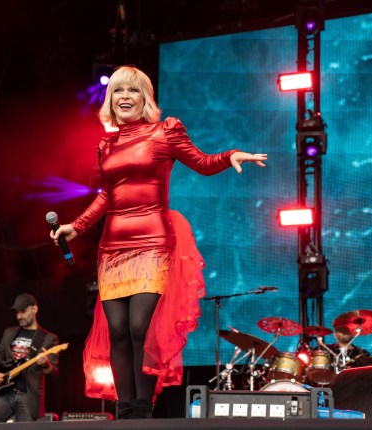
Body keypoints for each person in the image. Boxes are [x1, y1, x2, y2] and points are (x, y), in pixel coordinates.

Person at [50, 65, 267, 419]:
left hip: (153, 240)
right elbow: (108, 193)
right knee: (117, 330)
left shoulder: (165, 132)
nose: (124, 97)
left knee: (139, 327)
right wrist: (78, 226)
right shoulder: (107, 144)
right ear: (110, 99)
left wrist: (230, 157)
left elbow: (202, 162)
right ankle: (125, 409)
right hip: (113, 245)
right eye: (118, 91)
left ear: (145, 99)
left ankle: (142, 406)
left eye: (133, 91)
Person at [0, 293, 59, 423]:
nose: (19, 316)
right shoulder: (9, 333)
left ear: (34, 309)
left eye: (23, 311)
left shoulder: (48, 338)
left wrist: (46, 364)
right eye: (17, 312)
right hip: (5, 392)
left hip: (28, 396)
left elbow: (54, 372)